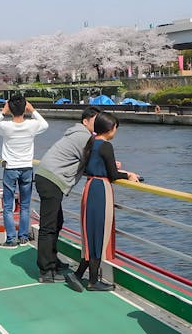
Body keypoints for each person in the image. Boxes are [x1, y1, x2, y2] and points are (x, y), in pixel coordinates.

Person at [65, 112, 140, 292]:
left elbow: (92, 166)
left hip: (90, 187)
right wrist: (128, 175)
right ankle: (92, 281)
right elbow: (113, 174)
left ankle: (80, 275)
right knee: (99, 233)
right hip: (101, 189)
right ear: (110, 129)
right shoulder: (106, 145)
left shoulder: (91, 142)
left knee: (91, 233)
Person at [34, 106, 101, 283]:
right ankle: (46, 271)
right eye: (96, 120)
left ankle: (52, 260)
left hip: (47, 177)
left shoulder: (76, 133)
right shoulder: (84, 137)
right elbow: (92, 164)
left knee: (57, 221)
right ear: (85, 121)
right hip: (52, 180)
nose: (99, 124)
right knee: (49, 226)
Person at [0, 95, 49, 249]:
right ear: (25, 108)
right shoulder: (32, 125)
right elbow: (45, 124)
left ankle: (11, 239)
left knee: (8, 206)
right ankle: (23, 237)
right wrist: (33, 110)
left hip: (10, 169)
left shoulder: (5, 127)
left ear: (9, 109)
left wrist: (3, 112)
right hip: (27, 168)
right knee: (25, 205)